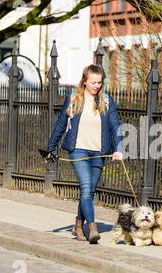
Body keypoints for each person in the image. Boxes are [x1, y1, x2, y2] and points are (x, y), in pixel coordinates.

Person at [47, 65, 123, 244]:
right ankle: (92, 228)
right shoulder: (73, 99)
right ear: (85, 81)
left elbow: (116, 126)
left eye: (99, 83)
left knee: (90, 190)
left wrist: (118, 148)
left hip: (98, 152)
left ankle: (78, 225)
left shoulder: (106, 101)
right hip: (78, 150)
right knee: (86, 188)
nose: (96, 86)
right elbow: (60, 125)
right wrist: (51, 148)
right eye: (93, 83)